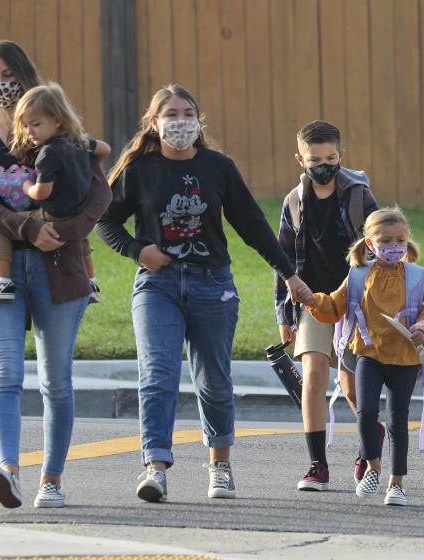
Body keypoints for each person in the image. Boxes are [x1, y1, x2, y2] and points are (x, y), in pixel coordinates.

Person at [95, 84, 314, 503]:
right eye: (171, 115)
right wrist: (137, 249)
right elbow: (105, 220)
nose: (180, 122)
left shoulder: (219, 167)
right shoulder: (139, 169)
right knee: (158, 375)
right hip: (157, 285)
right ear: (154, 123)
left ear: (199, 120)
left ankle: (220, 466)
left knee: (213, 380)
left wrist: (289, 275)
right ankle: (155, 468)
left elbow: (251, 224)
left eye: (187, 113)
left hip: (212, 285)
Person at [0, 40, 111, 509]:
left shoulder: (55, 129)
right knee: (3, 374)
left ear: (25, 74)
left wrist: (59, 233)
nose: (0, 84)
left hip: (57, 264)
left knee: (55, 379)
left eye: (7, 74)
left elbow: (98, 194)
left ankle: (52, 480)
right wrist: (27, 228)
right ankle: (8, 469)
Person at [304, 207, 424, 506]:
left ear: (408, 241)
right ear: (370, 243)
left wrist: (423, 327)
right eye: (386, 240)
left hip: (405, 359)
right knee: (365, 412)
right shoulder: (358, 275)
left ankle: (397, 483)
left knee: (397, 421)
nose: (394, 247)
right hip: (368, 355)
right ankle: (373, 467)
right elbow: (334, 307)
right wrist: (312, 300)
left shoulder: (416, 276)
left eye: (401, 240)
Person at [275, 120, 378, 492]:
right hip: (313, 300)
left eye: (331, 157)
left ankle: (371, 442)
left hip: (354, 300)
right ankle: (317, 464)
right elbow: (283, 260)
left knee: (351, 389)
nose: (323, 165)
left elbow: (382, 243)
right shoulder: (293, 202)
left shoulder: (358, 195)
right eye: (314, 159)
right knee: (315, 374)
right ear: (300, 159)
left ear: (341, 155)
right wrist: (284, 314)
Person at [0, 82, 110, 303]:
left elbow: (42, 193)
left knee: (1, 225)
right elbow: (105, 149)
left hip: (52, 214)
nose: (28, 132)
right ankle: (89, 282)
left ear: (57, 121)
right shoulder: (78, 143)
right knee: (81, 239)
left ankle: (2, 282)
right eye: (24, 126)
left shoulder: (47, 154)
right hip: (75, 211)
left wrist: (26, 187)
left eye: (35, 125)